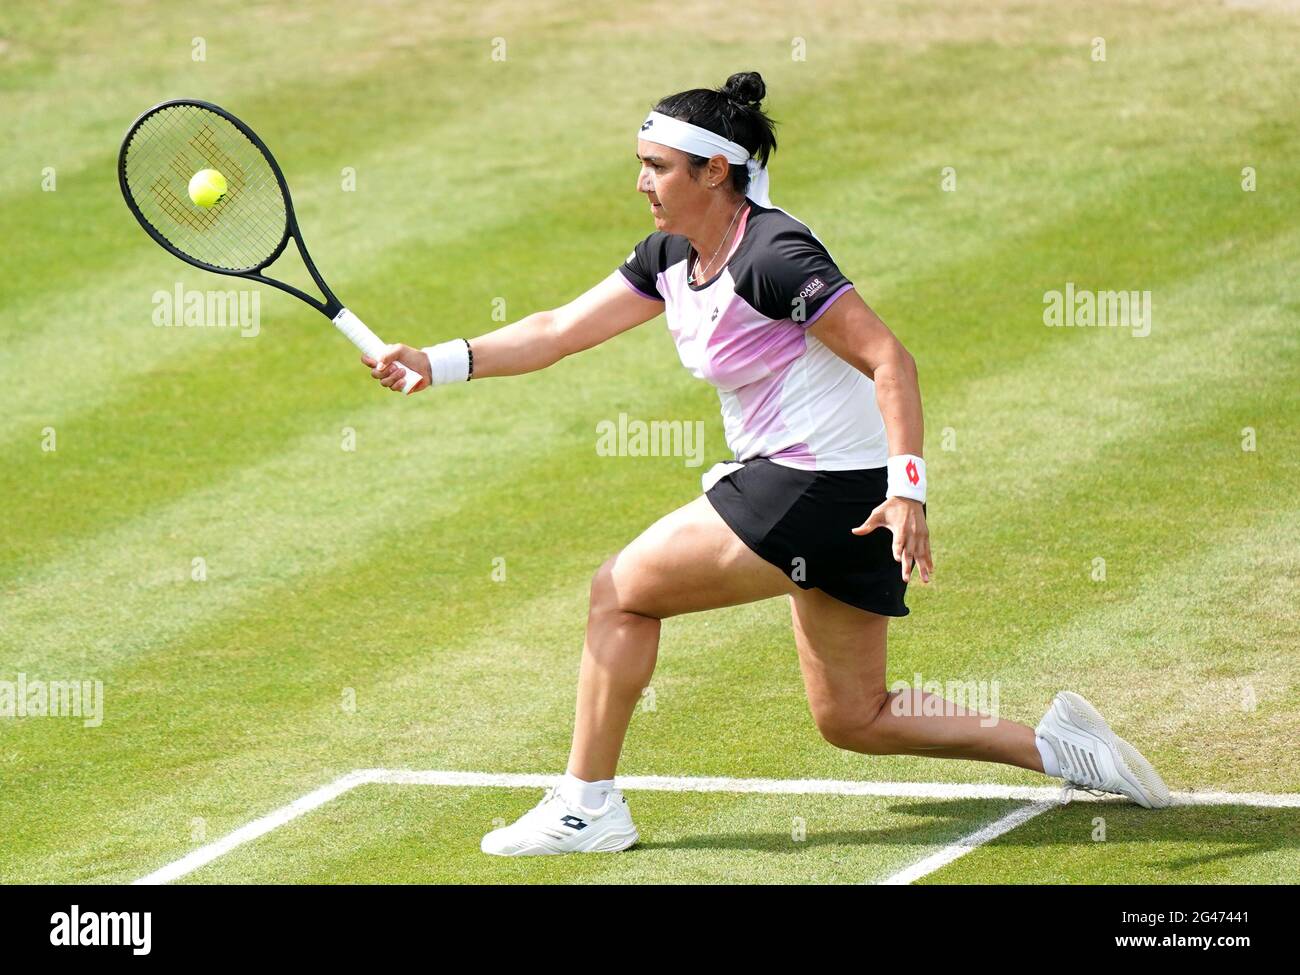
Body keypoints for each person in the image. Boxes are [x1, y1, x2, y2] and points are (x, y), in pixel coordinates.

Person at [363, 71, 1171, 857]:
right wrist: (436, 361)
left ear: (715, 171)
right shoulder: (672, 255)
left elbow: (891, 359)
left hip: (816, 486)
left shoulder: (773, 256)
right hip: (830, 492)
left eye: (656, 166)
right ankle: (1060, 748)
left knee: (620, 592)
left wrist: (909, 490)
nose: (640, 182)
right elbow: (557, 330)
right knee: (854, 717)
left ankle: (586, 808)